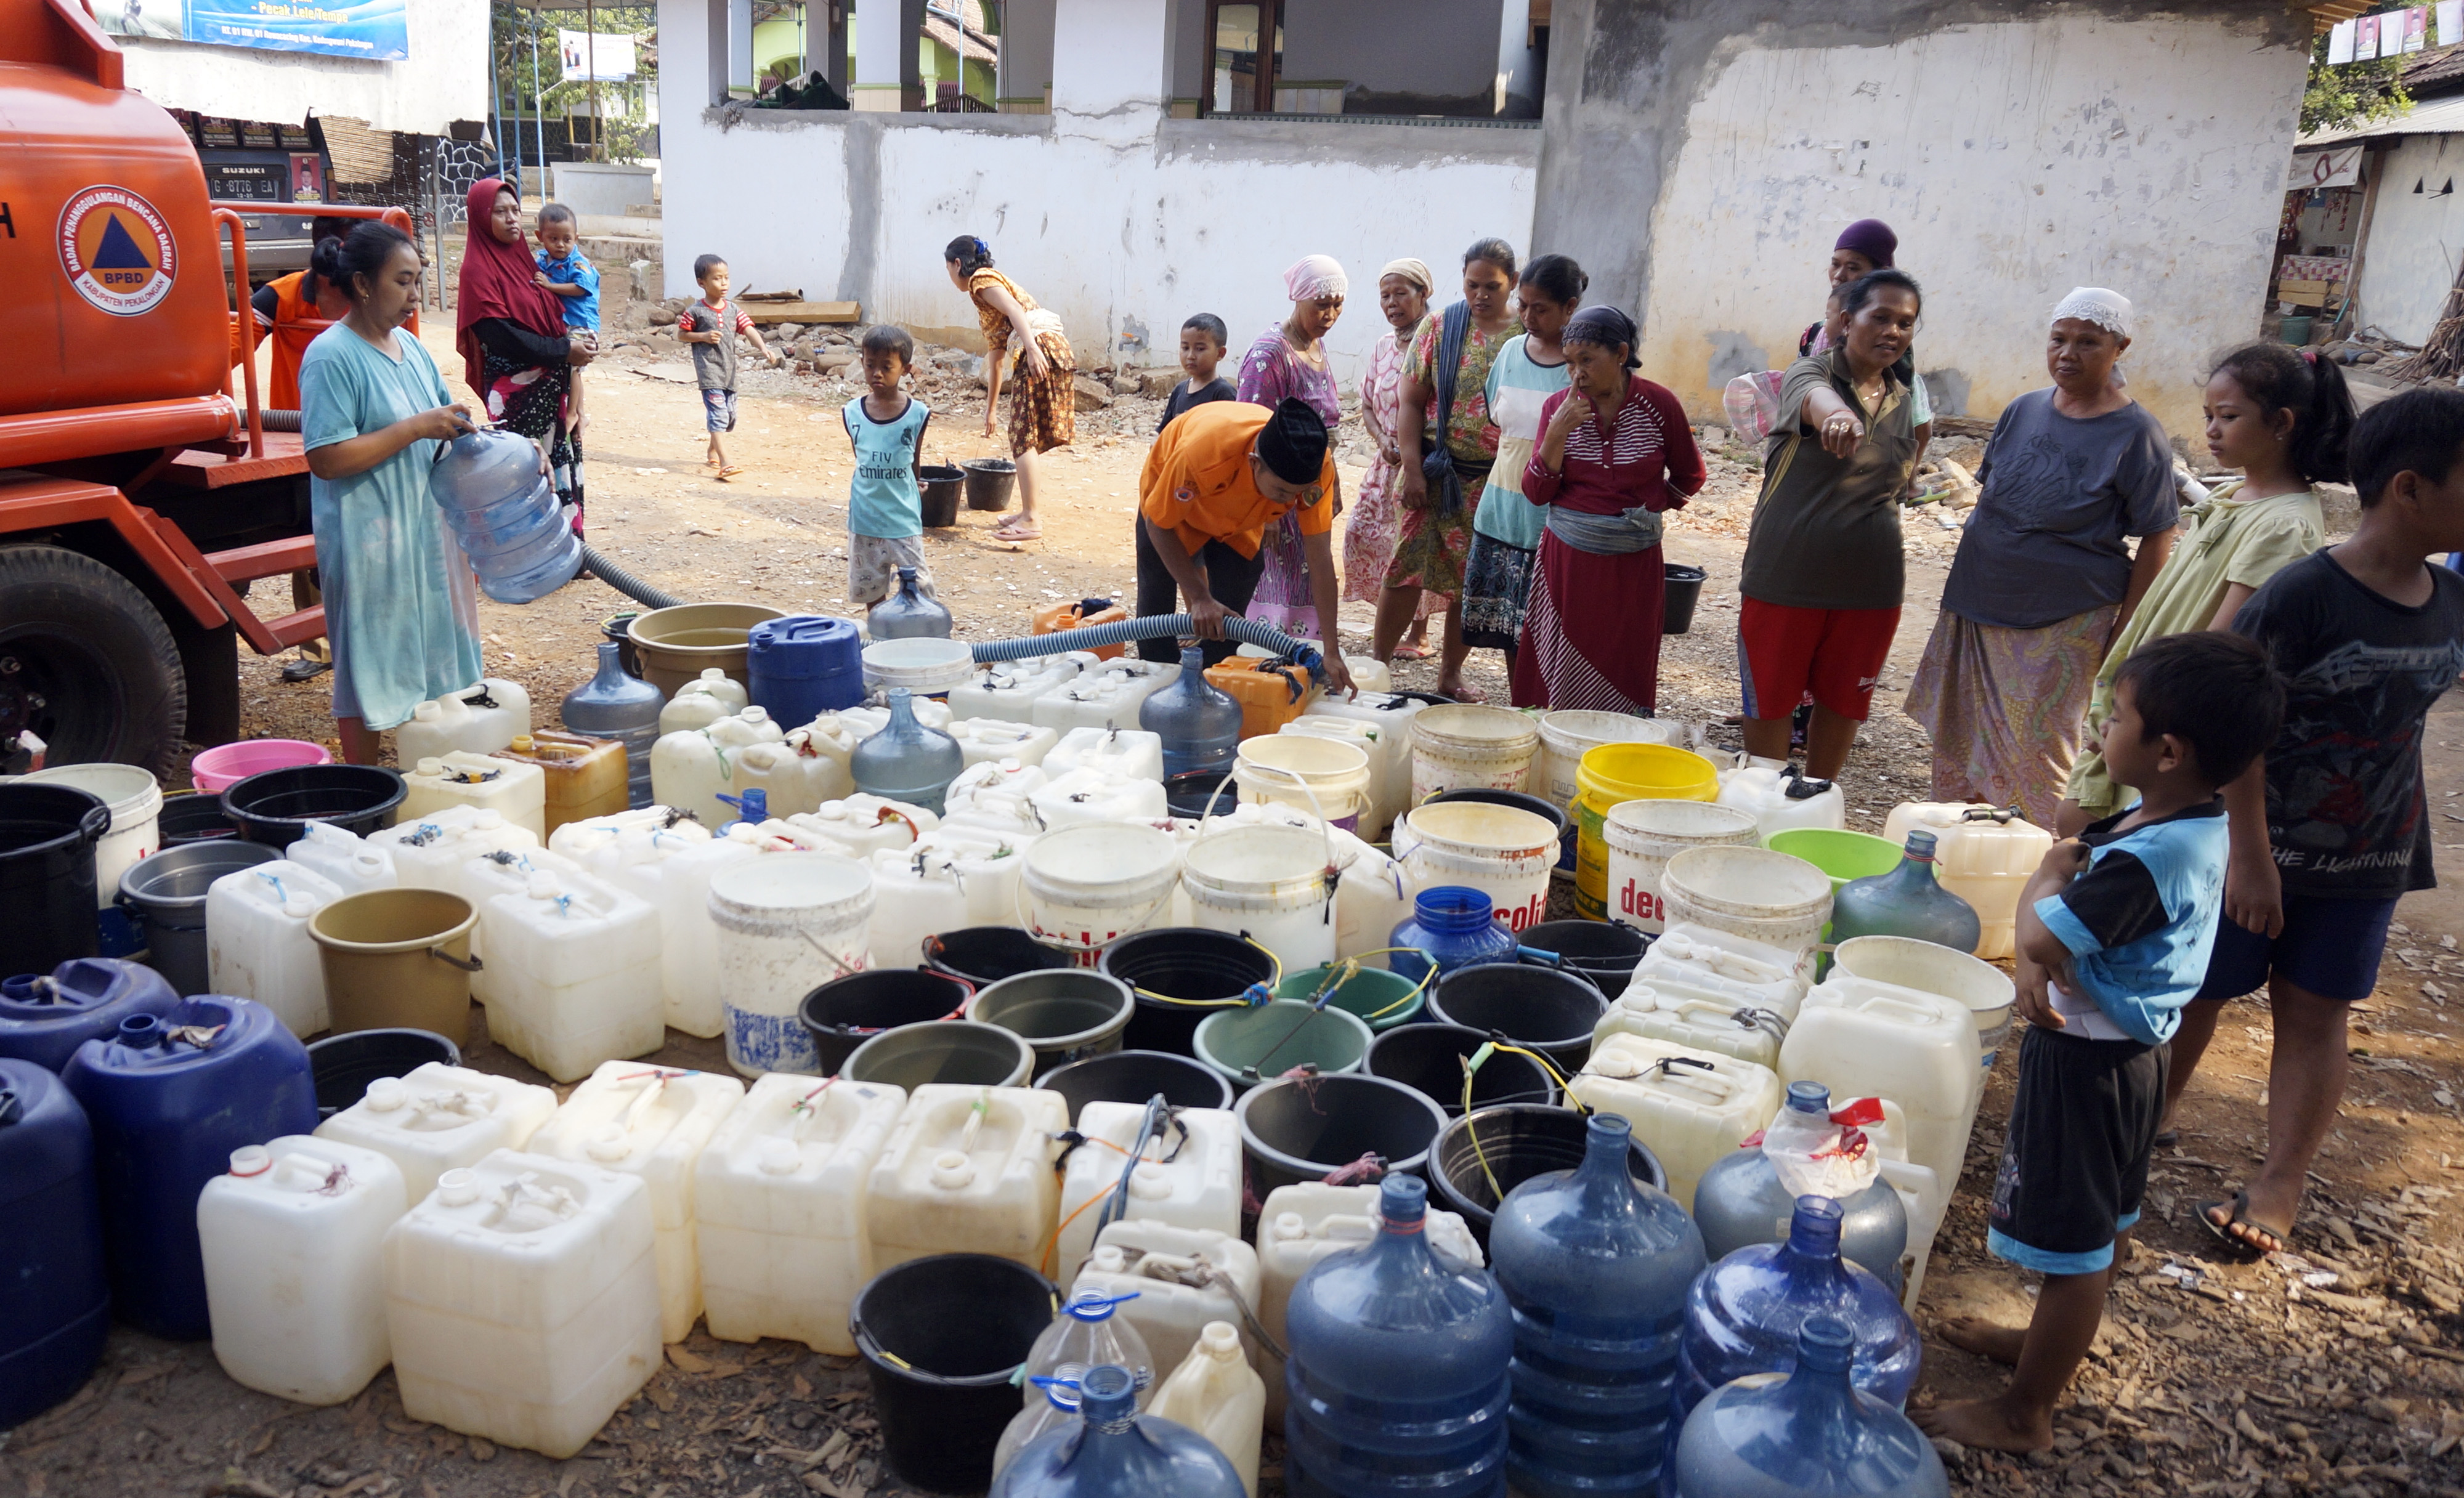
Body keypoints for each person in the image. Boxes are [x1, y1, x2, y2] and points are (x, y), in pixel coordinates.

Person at [1914, 631, 2284, 1454]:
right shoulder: (2191, 821)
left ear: (2169, 749)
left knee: (2076, 1248)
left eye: (2118, 717)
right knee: (2098, 1225)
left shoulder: (2148, 861)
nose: (2101, 730)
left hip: (2087, 1062)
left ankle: (2025, 1412)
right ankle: (2042, 1346)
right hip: (2132, 1058)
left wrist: (2045, 878)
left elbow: (2043, 943)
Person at [2173, 387, 2464, 1257]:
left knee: (2318, 1013)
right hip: (2258, 849)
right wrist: (2251, 855)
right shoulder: (2303, 595)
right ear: (2410, 489)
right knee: (2200, 995)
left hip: (2373, 855)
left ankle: (2280, 1181)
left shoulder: (2450, 598)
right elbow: (2239, 726)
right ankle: (2132, 1134)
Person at [1906, 288, 2179, 829]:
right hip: (1977, 602)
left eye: (2088, 342)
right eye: (2058, 340)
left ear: (2119, 348)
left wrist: (2126, 631)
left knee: (2041, 755)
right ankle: (1967, 854)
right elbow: (1994, 498)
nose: (2068, 354)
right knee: (1959, 741)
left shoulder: (2136, 434)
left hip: (2064, 617)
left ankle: (2043, 870)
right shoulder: (2023, 409)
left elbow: (2158, 537)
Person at [2061, 343, 2354, 837]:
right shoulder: (2230, 494)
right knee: (2080, 819)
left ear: (2281, 423)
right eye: (2208, 415)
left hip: (2171, 711)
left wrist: (2146, 711)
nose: (2211, 430)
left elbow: (2225, 643)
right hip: (2142, 697)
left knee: (2114, 838)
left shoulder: (2285, 525)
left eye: (2228, 416)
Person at [299, 221, 484, 767]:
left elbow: (446, 419)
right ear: (361, 283)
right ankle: (365, 785)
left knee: (432, 650)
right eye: (402, 282)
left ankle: (431, 770)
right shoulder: (332, 356)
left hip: (426, 530)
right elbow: (326, 458)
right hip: (370, 536)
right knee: (371, 658)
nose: (414, 295)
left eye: (418, 280)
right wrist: (415, 428)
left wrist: (502, 447)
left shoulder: (409, 346)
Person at [1737, 269, 1925, 779]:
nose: (1893, 331)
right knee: (1771, 704)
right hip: (1785, 577)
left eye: (1905, 323)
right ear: (1846, 321)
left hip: (1872, 586)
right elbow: (1819, 402)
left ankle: (1818, 802)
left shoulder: (1903, 400)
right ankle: (1766, 805)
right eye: (1880, 317)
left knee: (1844, 704)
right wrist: (1838, 417)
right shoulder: (1810, 374)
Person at [1509, 304, 1705, 714]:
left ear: (1620, 354)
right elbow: (1536, 492)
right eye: (1569, 363)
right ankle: (1555, 736)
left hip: (1634, 563)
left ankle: (1615, 746)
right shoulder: (1558, 409)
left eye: (1587, 360)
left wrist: (1646, 515)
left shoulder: (1659, 405)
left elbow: (1690, 474)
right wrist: (1557, 433)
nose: (1576, 373)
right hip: (1569, 561)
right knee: (1562, 654)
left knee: (1625, 653)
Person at [1378, 238, 1523, 700]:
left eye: (1492, 286)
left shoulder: (1525, 334)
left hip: (1492, 481)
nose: (1480, 295)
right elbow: (1411, 401)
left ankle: (1450, 675)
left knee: (1469, 578)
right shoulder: (1441, 327)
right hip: (1433, 473)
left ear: (1513, 283)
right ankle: (1376, 669)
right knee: (1405, 568)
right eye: (1472, 285)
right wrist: (1414, 470)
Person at [1132, 396, 1355, 697]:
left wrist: (1332, 651)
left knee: (1227, 623)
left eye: (1298, 495)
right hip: (1172, 513)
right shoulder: (1203, 453)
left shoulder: (1316, 472)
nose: (1290, 502)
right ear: (1254, 463)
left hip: (1240, 522)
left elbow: (1320, 560)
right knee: (1156, 613)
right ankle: (1157, 697)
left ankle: (1210, 693)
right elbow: (1159, 525)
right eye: (1282, 491)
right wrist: (1199, 596)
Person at [1463, 253, 1581, 673]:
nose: (1528, 316)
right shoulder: (1512, 351)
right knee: (1513, 634)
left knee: (1550, 635)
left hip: (1553, 518)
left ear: (1570, 307)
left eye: (1541, 308)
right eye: (1524, 305)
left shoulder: (1580, 368)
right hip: (1502, 509)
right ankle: (1522, 712)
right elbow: (1500, 421)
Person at [455, 178, 596, 527]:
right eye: (499, 212)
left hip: (551, 390)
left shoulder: (527, 263)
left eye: (515, 210)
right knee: (524, 470)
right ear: (479, 217)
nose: (511, 219)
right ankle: (528, 559)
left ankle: (567, 552)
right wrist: (565, 350)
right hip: (516, 394)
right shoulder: (478, 270)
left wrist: (575, 350)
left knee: (559, 464)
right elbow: (499, 335)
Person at [1236, 255, 1348, 639]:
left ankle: (1309, 649)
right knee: (1278, 576)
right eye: (1321, 305)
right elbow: (1250, 426)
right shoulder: (1270, 354)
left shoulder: (1315, 347)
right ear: (1297, 299)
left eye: (1337, 305)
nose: (1330, 314)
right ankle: (1269, 651)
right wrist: (1264, 512)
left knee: (1312, 567)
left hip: (1313, 485)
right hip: (1278, 494)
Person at [1342, 257, 1441, 657]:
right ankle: (1392, 625)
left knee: (1416, 547)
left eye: (1401, 293)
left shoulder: (1439, 342)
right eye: (1385, 295)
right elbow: (1367, 404)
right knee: (1362, 535)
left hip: (1422, 465)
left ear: (1424, 295)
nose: (1392, 302)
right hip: (1385, 466)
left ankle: (1419, 634)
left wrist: (1415, 451)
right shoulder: (1385, 346)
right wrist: (1383, 438)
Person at [946, 235, 1072, 543]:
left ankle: (1031, 519)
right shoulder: (984, 296)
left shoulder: (980, 280)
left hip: (1040, 348)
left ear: (958, 264)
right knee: (1022, 433)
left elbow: (1016, 310)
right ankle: (1028, 512)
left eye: (948, 267)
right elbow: (997, 359)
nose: (949, 275)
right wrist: (990, 410)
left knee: (1023, 434)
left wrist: (1031, 348)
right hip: (1046, 348)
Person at [843, 324, 934, 608]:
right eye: (871, 365)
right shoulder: (852, 413)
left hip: (902, 518)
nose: (877, 373)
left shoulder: (917, 414)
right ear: (862, 364)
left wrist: (915, 487)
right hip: (865, 519)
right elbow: (862, 459)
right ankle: (882, 640)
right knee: (871, 589)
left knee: (920, 590)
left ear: (905, 369)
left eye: (887, 366)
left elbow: (913, 460)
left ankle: (920, 641)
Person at [678, 253, 782, 481]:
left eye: (726, 278)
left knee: (730, 417)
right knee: (718, 414)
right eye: (717, 279)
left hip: (730, 372)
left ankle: (713, 448)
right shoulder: (696, 311)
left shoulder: (733, 309)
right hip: (709, 371)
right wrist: (703, 336)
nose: (724, 283)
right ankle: (726, 463)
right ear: (701, 283)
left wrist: (764, 348)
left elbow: (748, 329)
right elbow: (682, 335)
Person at [532, 203, 599, 436]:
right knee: (571, 369)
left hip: (582, 324)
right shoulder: (541, 260)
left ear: (576, 238)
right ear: (540, 237)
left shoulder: (578, 263)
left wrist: (551, 286)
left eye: (567, 239)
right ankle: (580, 413)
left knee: (573, 367)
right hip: (563, 324)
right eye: (554, 239)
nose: (561, 245)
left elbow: (581, 288)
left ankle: (572, 414)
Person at [1159, 314, 1235, 429]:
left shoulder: (1224, 393)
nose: (1190, 356)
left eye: (1200, 349)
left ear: (1220, 353)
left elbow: (1229, 435)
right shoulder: (1179, 391)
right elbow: (1165, 430)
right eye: (1185, 348)